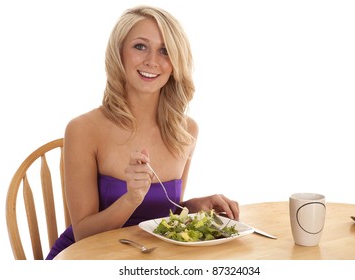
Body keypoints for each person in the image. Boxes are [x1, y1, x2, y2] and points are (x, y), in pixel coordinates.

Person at [46, 5, 239, 260]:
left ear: (175, 63)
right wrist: (130, 199)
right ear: (119, 53)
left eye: (165, 51)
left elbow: (162, 214)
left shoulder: (186, 130)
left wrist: (194, 206)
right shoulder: (83, 129)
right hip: (89, 259)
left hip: (146, 257)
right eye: (140, 46)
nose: (152, 61)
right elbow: (83, 233)